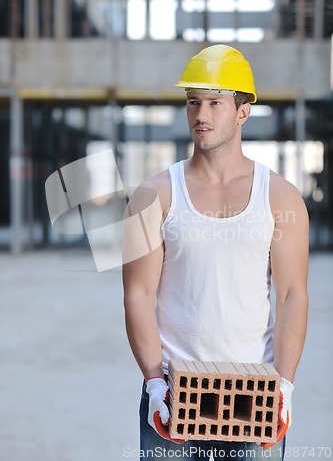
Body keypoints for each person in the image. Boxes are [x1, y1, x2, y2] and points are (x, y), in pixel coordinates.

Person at [122, 44, 309, 460]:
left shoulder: (280, 197)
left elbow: (292, 295)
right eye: (193, 102)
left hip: (254, 395)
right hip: (173, 394)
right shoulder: (153, 196)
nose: (200, 115)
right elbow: (137, 294)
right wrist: (154, 383)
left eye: (214, 102)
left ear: (243, 111)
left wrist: (286, 384)